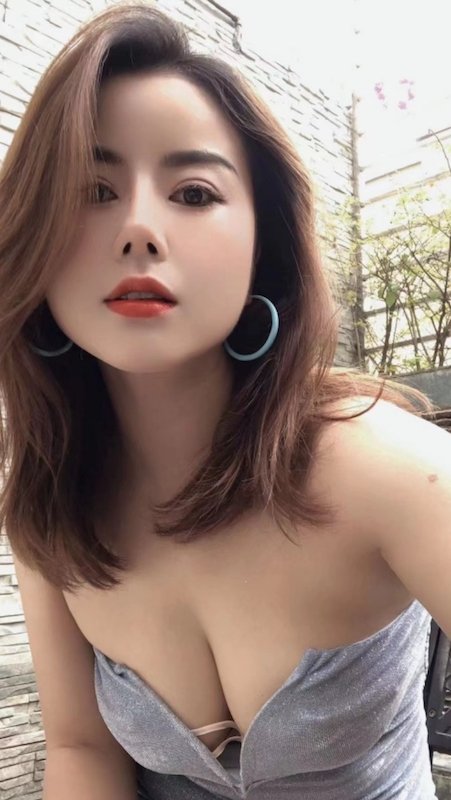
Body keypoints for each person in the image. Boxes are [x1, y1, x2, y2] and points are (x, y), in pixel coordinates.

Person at [0, 4, 450, 799]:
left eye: (194, 192)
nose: (139, 229)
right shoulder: (51, 498)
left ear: (260, 243)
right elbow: (80, 746)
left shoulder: (388, 470)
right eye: (94, 189)